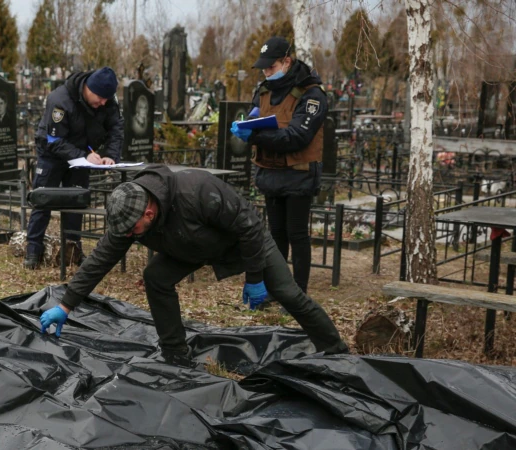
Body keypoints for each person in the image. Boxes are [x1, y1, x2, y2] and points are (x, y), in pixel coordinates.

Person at [37, 165, 348, 365]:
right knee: (156, 276)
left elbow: (249, 226)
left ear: (149, 212)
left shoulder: (198, 191)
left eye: (133, 231)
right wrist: (66, 305)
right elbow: (100, 259)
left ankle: (336, 350)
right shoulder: (130, 217)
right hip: (191, 245)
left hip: (246, 242)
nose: (130, 237)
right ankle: (174, 352)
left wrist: (254, 276)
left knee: (288, 293)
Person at [231, 36, 328, 294]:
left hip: (299, 175)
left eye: (270, 67)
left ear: (286, 61)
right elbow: (254, 114)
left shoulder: (312, 94)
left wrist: (254, 136)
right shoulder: (264, 91)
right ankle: (277, 288)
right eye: (263, 68)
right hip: (271, 172)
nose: (266, 73)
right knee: (276, 235)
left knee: (297, 234)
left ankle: (299, 292)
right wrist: (245, 125)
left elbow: (298, 137)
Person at [23, 66, 124, 269]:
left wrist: (110, 156)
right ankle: (33, 251)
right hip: (52, 154)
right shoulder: (60, 100)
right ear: (88, 88)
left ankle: (72, 252)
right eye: (100, 97)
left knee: (76, 202)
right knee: (43, 199)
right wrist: (83, 155)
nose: (103, 103)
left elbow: (116, 128)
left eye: (107, 99)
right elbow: (54, 139)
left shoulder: (107, 101)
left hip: (82, 157)